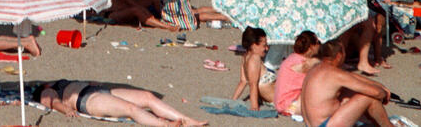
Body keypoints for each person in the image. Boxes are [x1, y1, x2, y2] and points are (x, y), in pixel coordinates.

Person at [300, 40, 391, 127]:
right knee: (368, 96)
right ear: (339, 55)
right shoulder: (334, 73)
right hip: (325, 125)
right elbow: (377, 93)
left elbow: (350, 76)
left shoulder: (316, 68)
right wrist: (384, 93)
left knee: (350, 92)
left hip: (312, 124)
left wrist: (380, 86)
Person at [34, 79, 207, 125]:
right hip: (87, 100)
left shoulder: (59, 82)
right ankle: (164, 125)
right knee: (130, 109)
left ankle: (186, 119)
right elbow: (51, 102)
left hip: (97, 91)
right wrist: (65, 110)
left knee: (147, 96)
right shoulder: (47, 90)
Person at [275, 30, 321, 116]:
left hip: (282, 102)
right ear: (311, 46)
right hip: (289, 105)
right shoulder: (304, 63)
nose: (320, 45)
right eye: (318, 42)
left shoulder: (292, 58)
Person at [232, 27, 276, 111]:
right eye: (264, 45)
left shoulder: (245, 57)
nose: (267, 48)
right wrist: (255, 107)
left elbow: (243, 82)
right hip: (279, 100)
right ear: (254, 45)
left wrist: (232, 100)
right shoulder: (255, 59)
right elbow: (253, 85)